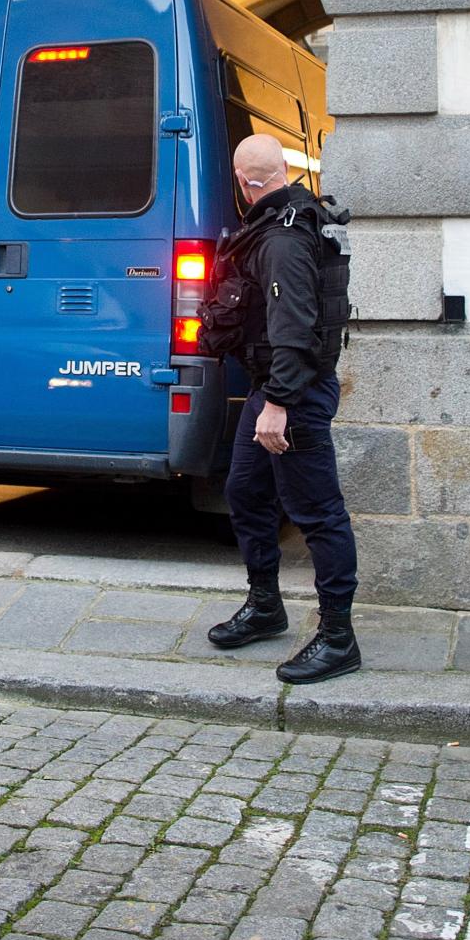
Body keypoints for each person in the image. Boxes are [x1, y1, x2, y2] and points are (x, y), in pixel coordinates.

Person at [200, 135, 362, 683]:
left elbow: (293, 327)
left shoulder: (284, 239)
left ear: (245, 183)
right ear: (283, 170)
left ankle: (339, 638)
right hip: (274, 389)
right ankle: (266, 606)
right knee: (245, 491)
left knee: (318, 513)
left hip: (291, 395)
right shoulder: (280, 224)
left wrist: (279, 403)